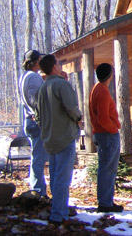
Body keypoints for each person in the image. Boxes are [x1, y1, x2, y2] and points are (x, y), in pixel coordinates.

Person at [35, 54, 82, 225]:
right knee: (62, 177)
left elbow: (38, 117)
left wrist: (47, 130)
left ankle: (60, 209)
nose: (60, 65)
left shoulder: (41, 89)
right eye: (58, 63)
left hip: (49, 139)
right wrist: (78, 117)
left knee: (55, 177)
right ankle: (57, 214)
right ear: (54, 67)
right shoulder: (62, 84)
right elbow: (71, 108)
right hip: (64, 137)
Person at [89, 63, 123, 213]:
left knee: (106, 168)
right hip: (107, 135)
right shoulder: (102, 91)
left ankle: (105, 201)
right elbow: (103, 118)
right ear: (110, 75)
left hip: (101, 133)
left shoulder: (97, 88)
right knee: (108, 169)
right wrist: (113, 129)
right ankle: (105, 203)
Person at [18, 49, 48, 198]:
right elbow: (35, 100)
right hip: (35, 121)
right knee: (38, 159)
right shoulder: (33, 78)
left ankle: (38, 189)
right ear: (36, 62)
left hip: (29, 120)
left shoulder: (25, 76)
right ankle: (38, 191)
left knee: (37, 157)